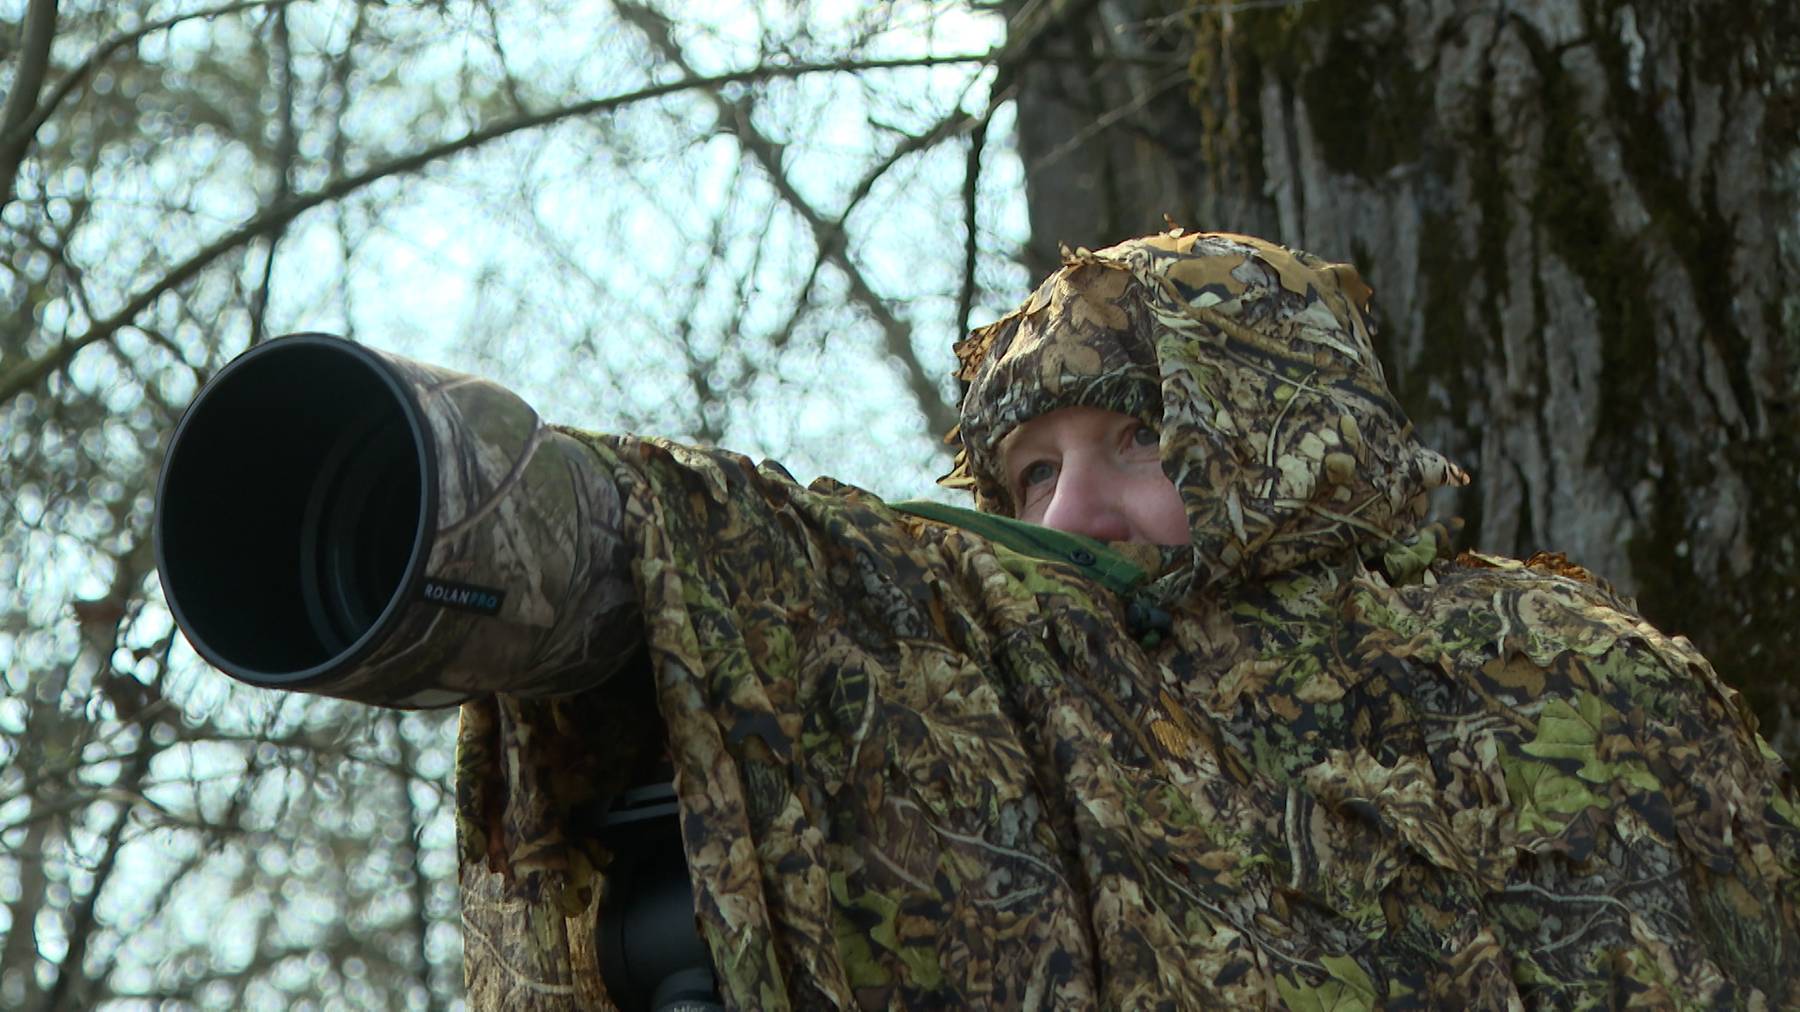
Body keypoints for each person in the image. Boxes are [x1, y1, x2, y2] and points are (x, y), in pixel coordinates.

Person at [360, 230, 1800, 1007]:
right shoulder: (1020, 714)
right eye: (1028, 471)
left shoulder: (1553, 676)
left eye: (1142, 446)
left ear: (1281, 441)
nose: (1068, 515)